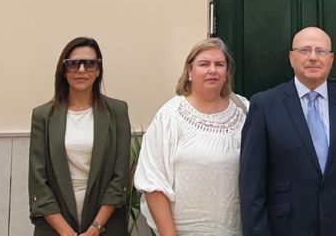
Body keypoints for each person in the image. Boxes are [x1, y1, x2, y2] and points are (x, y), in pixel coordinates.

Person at [239, 27, 336, 236]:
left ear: (331, 59)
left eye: (321, 51)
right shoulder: (265, 105)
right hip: (286, 228)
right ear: (291, 58)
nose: (313, 57)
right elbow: (252, 186)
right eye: (305, 50)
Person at [134, 37, 249, 236]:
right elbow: (153, 183)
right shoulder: (169, 116)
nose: (213, 70)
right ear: (190, 71)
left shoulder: (244, 111)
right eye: (204, 64)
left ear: (226, 73)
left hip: (236, 230)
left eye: (219, 64)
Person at [29, 37, 132, 236]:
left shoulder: (117, 111)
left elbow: (120, 178)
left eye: (90, 63)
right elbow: (38, 182)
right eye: (74, 64)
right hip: (55, 226)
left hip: (105, 225)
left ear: (99, 70)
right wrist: (66, 232)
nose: (82, 70)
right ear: (64, 70)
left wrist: (95, 228)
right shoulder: (43, 116)